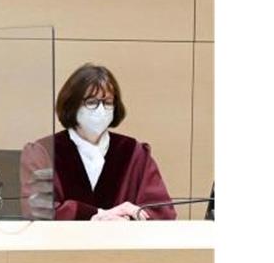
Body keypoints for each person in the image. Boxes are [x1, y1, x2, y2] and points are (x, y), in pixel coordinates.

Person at [21, 63, 175, 220]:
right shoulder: (43, 152)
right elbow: (37, 210)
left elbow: (162, 212)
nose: (101, 110)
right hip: (63, 242)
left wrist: (129, 219)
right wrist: (99, 215)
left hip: (122, 242)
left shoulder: (134, 152)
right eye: (91, 102)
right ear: (72, 105)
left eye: (108, 102)